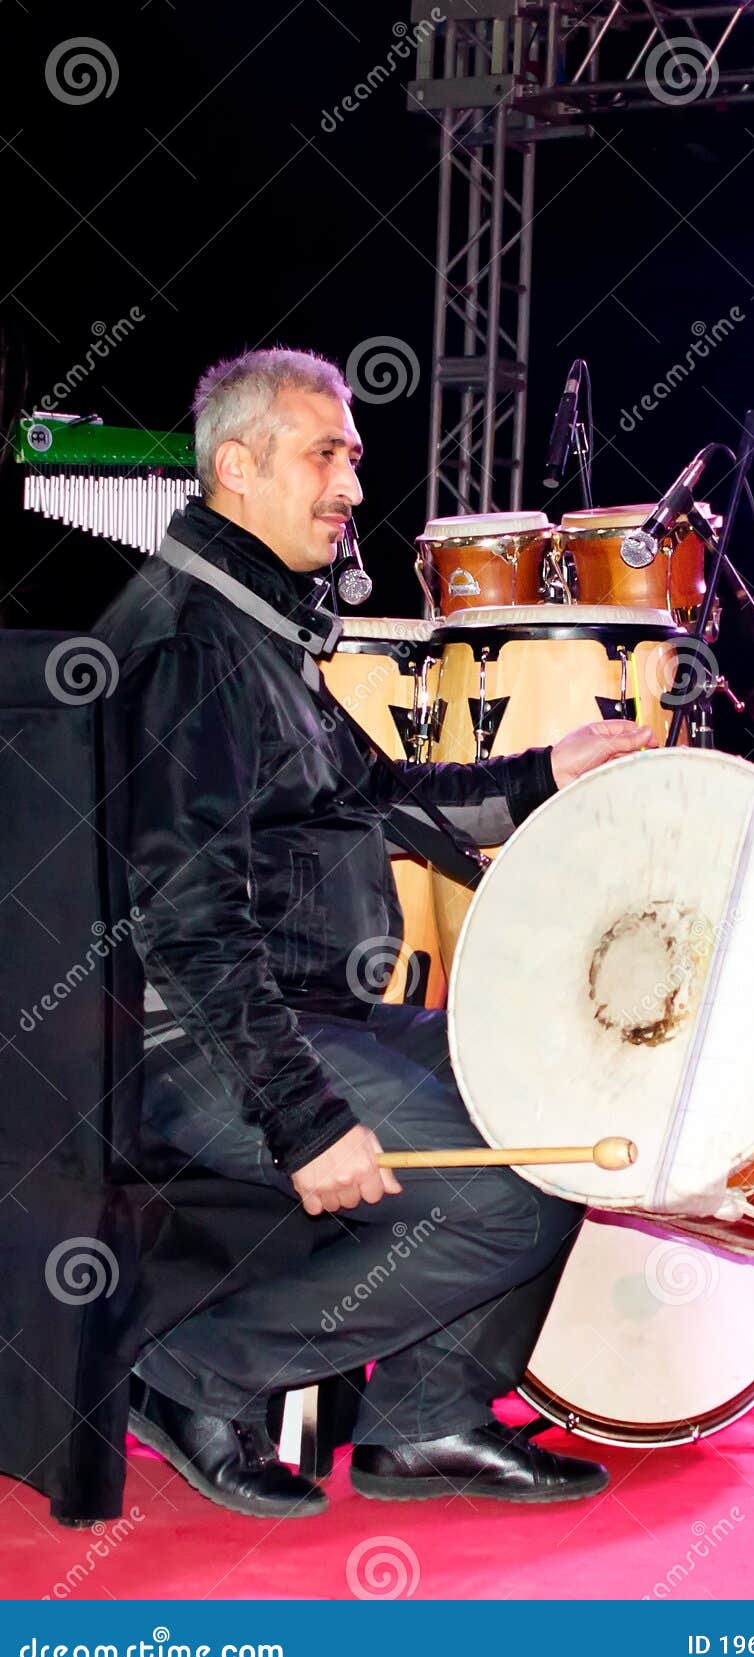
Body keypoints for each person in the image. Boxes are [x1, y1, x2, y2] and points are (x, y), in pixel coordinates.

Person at [94, 347, 654, 1518]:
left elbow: (368, 794)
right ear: (236, 466)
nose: (352, 482)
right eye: (324, 453)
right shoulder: (192, 643)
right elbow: (185, 920)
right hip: (200, 1044)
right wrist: (307, 1117)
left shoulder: (258, 629)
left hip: (309, 1012)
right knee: (504, 1198)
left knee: (553, 1111)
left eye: (353, 453)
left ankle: (425, 1421)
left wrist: (545, 770)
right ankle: (194, 1374)